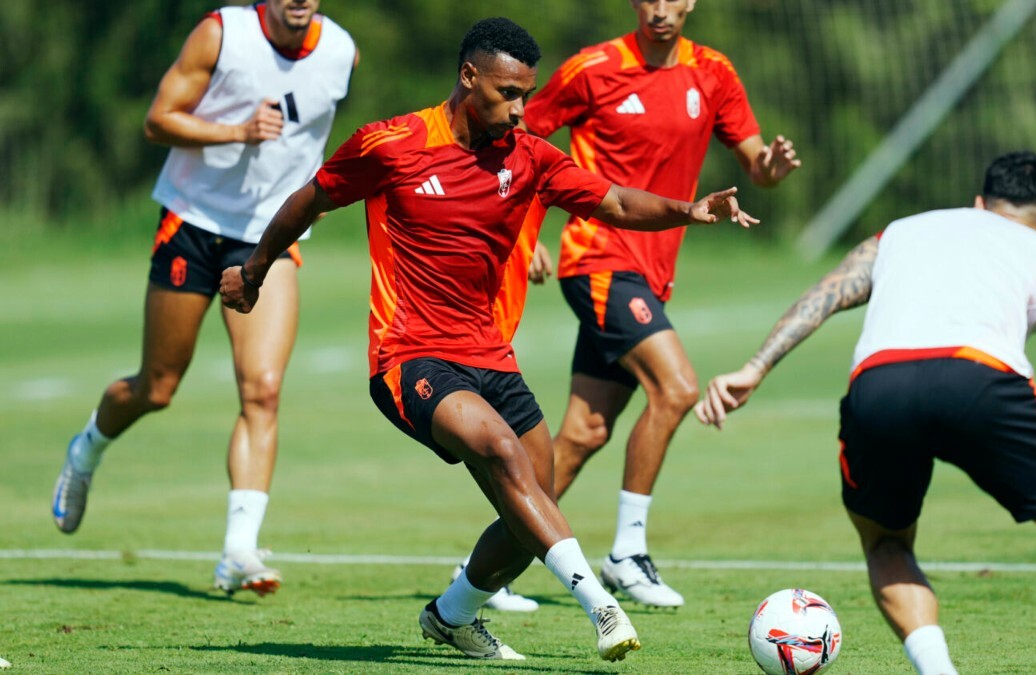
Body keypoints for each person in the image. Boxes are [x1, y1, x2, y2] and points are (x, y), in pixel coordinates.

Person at [218, 17, 757, 662]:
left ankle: (451, 615)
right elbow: (310, 200)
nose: (520, 109)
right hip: (408, 357)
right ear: (469, 77)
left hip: (492, 356)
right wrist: (254, 272)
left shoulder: (529, 157)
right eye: (508, 93)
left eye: (527, 94)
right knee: (504, 453)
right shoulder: (393, 145)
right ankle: (602, 607)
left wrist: (687, 210)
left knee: (533, 505)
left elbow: (613, 203)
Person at [695, 152, 1036, 674]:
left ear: (979, 203)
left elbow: (827, 294)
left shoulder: (901, 232)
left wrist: (755, 366)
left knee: (886, 542)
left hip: (880, 385)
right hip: (981, 381)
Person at [51, 0, 357, 598]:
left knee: (262, 388)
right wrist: (237, 131)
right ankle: (86, 450)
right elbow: (158, 120)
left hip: (266, 235)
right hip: (193, 222)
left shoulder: (342, 51)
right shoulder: (222, 34)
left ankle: (238, 549)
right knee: (157, 387)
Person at [506, 0, 801, 609]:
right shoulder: (593, 68)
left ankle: (485, 570)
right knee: (677, 388)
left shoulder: (712, 71)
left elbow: (757, 166)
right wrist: (520, 235)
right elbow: (515, 141)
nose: (660, 8)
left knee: (584, 433)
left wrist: (771, 168)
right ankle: (627, 551)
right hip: (598, 259)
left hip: (651, 273)